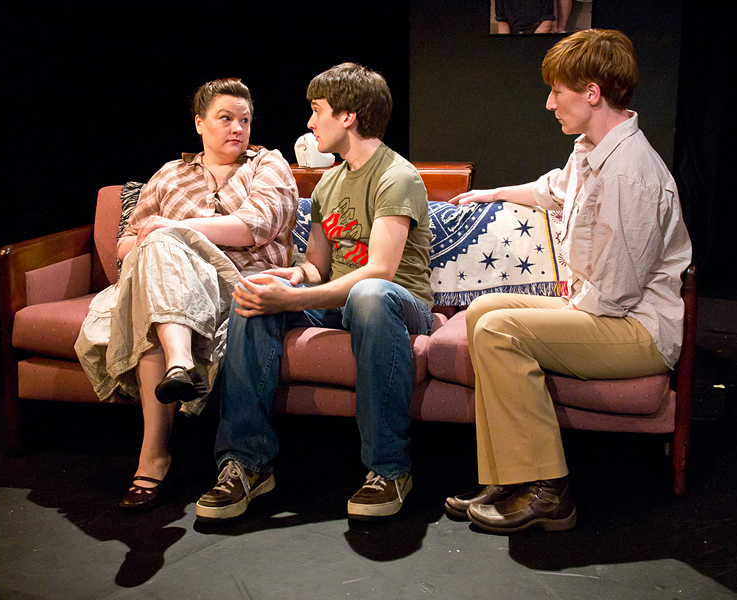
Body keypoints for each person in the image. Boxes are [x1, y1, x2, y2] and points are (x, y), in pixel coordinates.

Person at [444, 29, 691, 533]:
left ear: (593, 93)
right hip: (602, 309)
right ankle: (509, 476)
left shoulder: (629, 173)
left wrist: (561, 313)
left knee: (499, 329)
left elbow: (616, 293)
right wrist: (490, 193)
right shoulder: (591, 150)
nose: (550, 102)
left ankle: (548, 489)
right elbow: (552, 190)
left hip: (636, 330)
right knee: (481, 312)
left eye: (558, 91)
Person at [195, 63, 434, 522]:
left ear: (348, 116)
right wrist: (289, 279)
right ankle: (246, 464)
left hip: (399, 303)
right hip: (344, 301)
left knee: (369, 295)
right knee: (254, 294)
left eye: (316, 110)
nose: (309, 122)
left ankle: (389, 468)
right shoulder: (330, 182)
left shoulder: (396, 176)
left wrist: (295, 300)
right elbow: (316, 266)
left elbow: (379, 271)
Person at [74, 78, 298, 510]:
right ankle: (177, 369)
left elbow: (254, 227)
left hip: (233, 283)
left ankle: (154, 456)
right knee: (156, 261)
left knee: (161, 247)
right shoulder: (170, 174)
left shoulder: (267, 165)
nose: (237, 128)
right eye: (225, 119)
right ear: (199, 123)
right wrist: (157, 242)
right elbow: (126, 242)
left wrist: (173, 230)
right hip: (168, 286)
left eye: (244, 120)